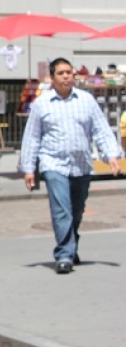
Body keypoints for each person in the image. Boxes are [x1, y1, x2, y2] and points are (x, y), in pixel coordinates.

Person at [19, 57, 121, 274]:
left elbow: (101, 130)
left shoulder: (86, 100)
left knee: (76, 210)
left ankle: (71, 244)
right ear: (53, 78)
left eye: (69, 72)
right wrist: (29, 168)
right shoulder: (41, 104)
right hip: (53, 163)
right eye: (61, 73)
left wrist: (112, 155)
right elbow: (32, 138)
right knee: (61, 210)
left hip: (81, 164)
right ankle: (64, 254)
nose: (66, 76)